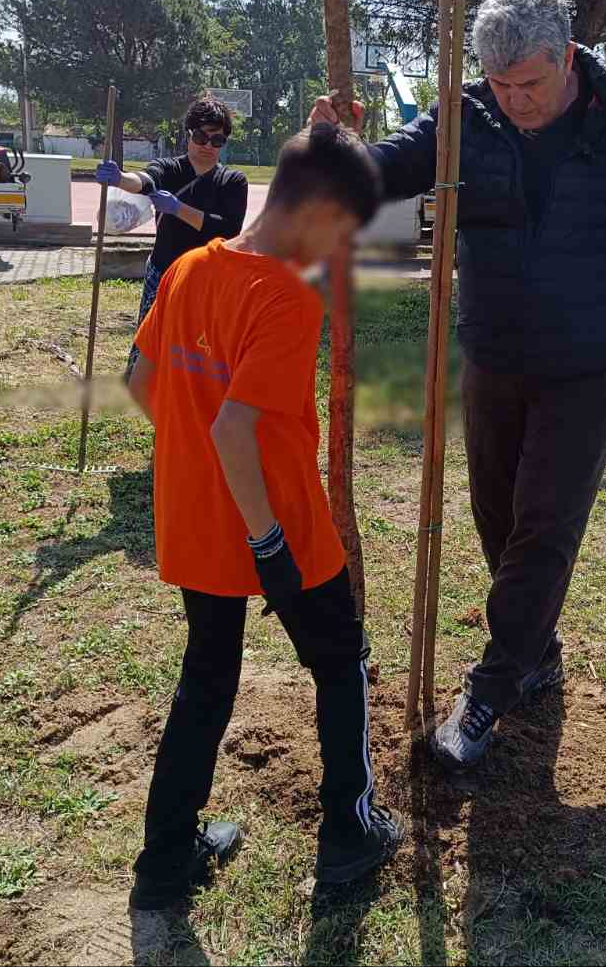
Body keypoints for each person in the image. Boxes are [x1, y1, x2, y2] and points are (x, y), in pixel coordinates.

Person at [310, 0, 606, 769]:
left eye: (529, 82)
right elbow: (392, 169)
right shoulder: (469, 114)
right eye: (501, 83)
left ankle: (491, 687)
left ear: (566, 57)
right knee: (497, 513)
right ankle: (536, 643)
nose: (516, 99)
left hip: (591, 357)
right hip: (493, 347)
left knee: (545, 522)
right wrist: (336, 153)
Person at [124, 122, 402, 911]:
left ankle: (165, 863)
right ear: (316, 213)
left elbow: (144, 386)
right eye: (341, 232)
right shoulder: (285, 295)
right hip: (278, 524)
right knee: (340, 657)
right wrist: (269, 541)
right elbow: (234, 429)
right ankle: (350, 830)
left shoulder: (185, 271)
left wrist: (204, 481)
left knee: (206, 682)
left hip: (196, 523)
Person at [97, 97, 250, 374]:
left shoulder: (233, 181)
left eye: (217, 141)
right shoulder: (170, 168)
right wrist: (120, 178)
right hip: (163, 271)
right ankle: (142, 385)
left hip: (208, 278)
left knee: (198, 345)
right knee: (150, 335)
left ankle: (186, 390)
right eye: (201, 136)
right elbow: (146, 180)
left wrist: (179, 209)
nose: (207, 146)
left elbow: (228, 229)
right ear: (188, 134)